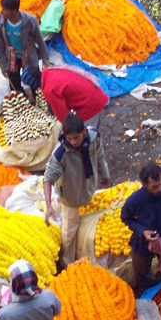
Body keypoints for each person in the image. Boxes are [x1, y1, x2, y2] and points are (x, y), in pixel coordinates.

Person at [44, 112, 110, 264]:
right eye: (69, 139)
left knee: (87, 215)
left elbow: (99, 156)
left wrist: (104, 174)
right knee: (69, 230)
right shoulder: (61, 153)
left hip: (87, 185)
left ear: (84, 132)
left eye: (76, 137)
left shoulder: (94, 137)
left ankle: (82, 248)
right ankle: (66, 261)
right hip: (70, 194)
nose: (73, 142)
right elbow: (48, 179)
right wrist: (48, 205)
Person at [120, 162, 161, 294]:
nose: (159, 189)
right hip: (143, 243)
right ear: (144, 185)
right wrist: (142, 231)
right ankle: (150, 294)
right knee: (142, 275)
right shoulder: (135, 200)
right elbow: (125, 217)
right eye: (154, 186)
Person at [0, 0, 49, 102]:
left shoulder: (30, 21)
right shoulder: (0, 23)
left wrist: (45, 60)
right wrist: (3, 66)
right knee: (14, 83)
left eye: (4, 9)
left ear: (14, 10)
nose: (1, 12)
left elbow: (40, 40)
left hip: (29, 55)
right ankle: (23, 101)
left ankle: (37, 101)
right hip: (11, 57)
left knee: (34, 82)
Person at [40, 64, 109, 132]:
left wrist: (65, 132)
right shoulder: (51, 71)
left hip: (90, 104)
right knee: (94, 131)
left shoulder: (49, 89)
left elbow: (64, 117)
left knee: (86, 135)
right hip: (96, 93)